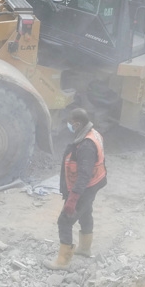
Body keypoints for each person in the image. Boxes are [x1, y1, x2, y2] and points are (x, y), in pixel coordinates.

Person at [48, 108, 107, 270]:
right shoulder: (93, 133)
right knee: (86, 213)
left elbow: (84, 175)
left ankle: (63, 261)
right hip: (94, 184)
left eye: (70, 123)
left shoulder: (86, 145)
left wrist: (73, 199)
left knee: (65, 220)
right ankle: (85, 248)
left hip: (84, 188)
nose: (69, 125)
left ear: (77, 123)